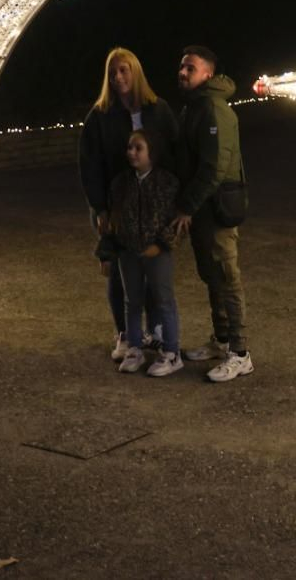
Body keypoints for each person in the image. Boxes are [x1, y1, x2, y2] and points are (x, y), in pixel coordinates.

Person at [79, 47, 178, 361]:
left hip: (153, 205)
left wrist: (174, 201)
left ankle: (157, 333)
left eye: (124, 70)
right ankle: (125, 333)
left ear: (136, 72)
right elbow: (89, 165)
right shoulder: (100, 115)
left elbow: (174, 154)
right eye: (113, 73)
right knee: (120, 272)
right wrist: (100, 208)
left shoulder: (158, 109)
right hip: (116, 205)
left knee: (153, 271)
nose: (118, 77)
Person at [171, 45, 251, 382]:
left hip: (217, 207)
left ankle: (240, 353)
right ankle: (221, 340)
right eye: (181, 67)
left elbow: (214, 168)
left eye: (190, 68)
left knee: (227, 277)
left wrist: (186, 206)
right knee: (212, 275)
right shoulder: (195, 106)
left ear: (208, 73)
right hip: (204, 208)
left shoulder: (214, 109)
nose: (182, 72)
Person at [106, 130, 183, 376]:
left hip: (157, 251)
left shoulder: (166, 182)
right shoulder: (121, 183)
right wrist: (109, 250)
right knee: (132, 301)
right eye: (130, 147)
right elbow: (114, 219)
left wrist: (161, 244)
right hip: (128, 251)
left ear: (152, 152)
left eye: (138, 148)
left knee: (164, 299)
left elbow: (174, 220)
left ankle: (171, 352)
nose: (132, 152)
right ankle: (135, 348)